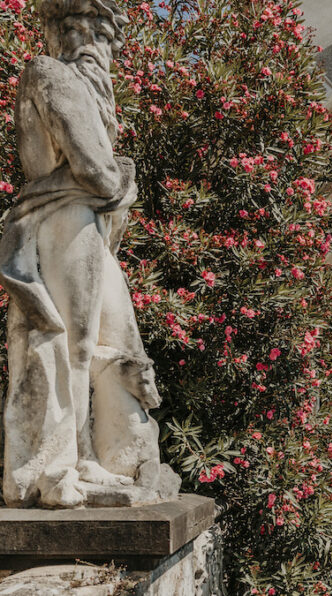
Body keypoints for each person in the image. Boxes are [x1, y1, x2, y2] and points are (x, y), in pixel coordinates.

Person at [0, 0, 177, 508]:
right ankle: (59, 468)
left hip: (90, 225)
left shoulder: (94, 92)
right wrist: (121, 176)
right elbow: (97, 172)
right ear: (56, 35)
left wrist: (114, 176)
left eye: (99, 31)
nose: (89, 41)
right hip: (63, 222)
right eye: (75, 27)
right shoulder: (50, 73)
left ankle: (97, 457)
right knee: (70, 345)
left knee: (112, 345)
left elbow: (102, 172)